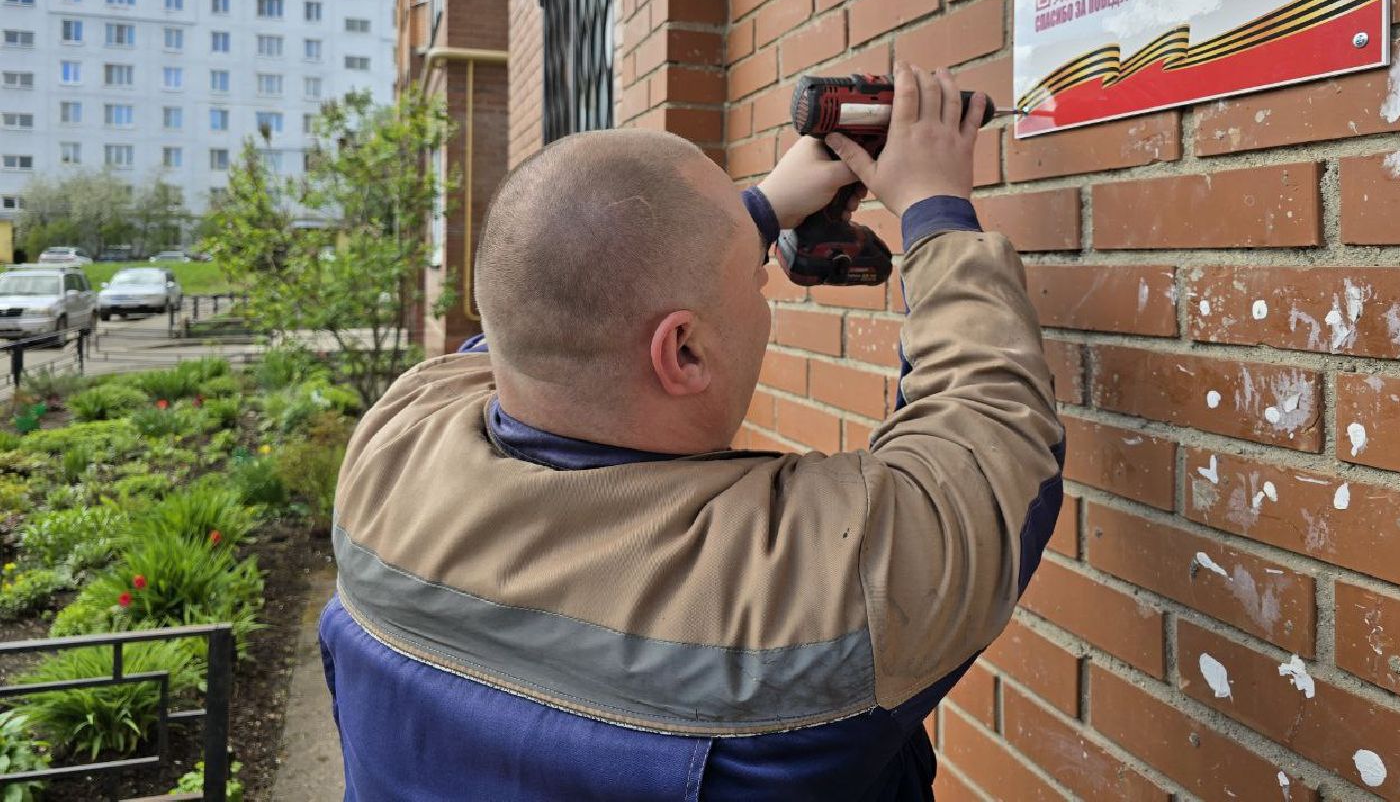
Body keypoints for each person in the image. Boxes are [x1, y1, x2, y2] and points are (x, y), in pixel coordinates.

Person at [320, 65, 1065, 801]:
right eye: (752, 275)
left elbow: (550, 320)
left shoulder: (389, 451)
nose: (764, 281)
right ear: (682, 352)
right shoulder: (798, 599)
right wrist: (936, 210)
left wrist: (756, 213)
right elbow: (987, 433)